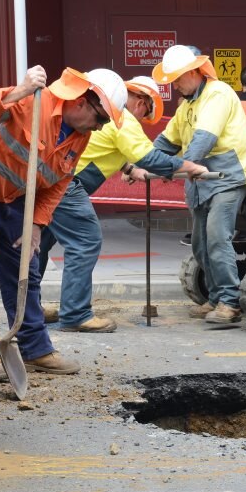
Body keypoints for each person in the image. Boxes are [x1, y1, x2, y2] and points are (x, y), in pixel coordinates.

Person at [0, 65, 127, 382]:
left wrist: (38, 224)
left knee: (24, 269)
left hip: (13, 200)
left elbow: (59, 182)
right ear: (83, 101)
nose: (99, 128)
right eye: (101, 119)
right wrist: (19, 90)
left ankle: (35, 348)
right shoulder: (34, 100)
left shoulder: (78, 137)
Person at [38, 77, 208, 332]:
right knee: (85, 240)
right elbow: (148, 156)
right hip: (67, 184)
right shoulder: (123, 118)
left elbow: (107, 149)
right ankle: (75, 314)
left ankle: (29, 308)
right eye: (145, 114)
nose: (141, 120)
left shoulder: (109, 116)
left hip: (54, 180)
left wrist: (129, 168)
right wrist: (188, 166)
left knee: (40, 243)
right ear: (141, 102)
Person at [152, 45, 246, 324]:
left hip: (228, 176)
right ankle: (216, 298)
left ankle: (230, 302)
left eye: (177, 79)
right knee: (201, 245)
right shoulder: (187, 105)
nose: (175, 85)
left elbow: (204, 139)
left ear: (194, 72)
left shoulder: (218, 93)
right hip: (202, 180)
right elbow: (166, 142)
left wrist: (178, 166)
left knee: (217, 237)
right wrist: (140, 162)